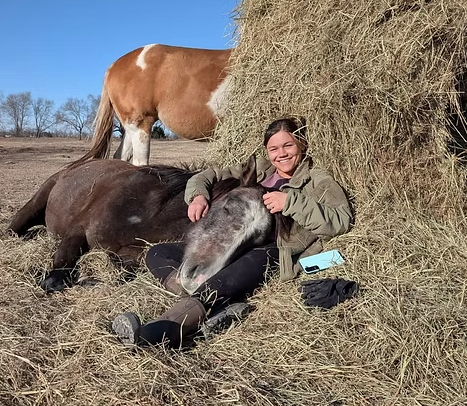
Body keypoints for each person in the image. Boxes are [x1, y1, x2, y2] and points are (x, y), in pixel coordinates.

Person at [111, 116, 353, 348]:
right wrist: (197, 195)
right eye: (274, 149)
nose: (281, 154)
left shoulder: (317, 180)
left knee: (230, 276)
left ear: (302, 144)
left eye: (288, 145)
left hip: (272, 250)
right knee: (158, 253)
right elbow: (210, 175)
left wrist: (290, 202)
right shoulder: (259, 169)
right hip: (230, 240)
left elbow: (340, 221)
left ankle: (164, 329)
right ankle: (213, 299)